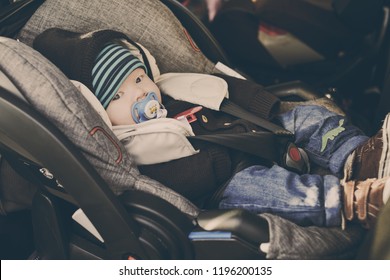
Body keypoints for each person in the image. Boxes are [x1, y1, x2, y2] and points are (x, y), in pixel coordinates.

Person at [33, 28, 390, 231]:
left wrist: (268, 110)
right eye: (120, 94)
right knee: (266, 190)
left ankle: (363, 157)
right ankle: (352, 200)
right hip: (227, 179)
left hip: (259, 131)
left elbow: (228, 90)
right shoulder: (132, 149)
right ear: (100, 112)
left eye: (140, 77)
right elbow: (172, 184)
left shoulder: (176, 91)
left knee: (310, 116)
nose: (141, 92)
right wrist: (217, 164)